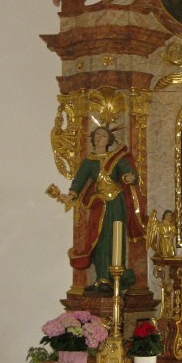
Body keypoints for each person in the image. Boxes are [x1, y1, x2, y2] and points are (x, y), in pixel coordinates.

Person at [59, 126, 145, 295]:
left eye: (104, 135)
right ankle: (101, 279)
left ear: (109, 140)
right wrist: (72, 194)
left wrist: (129, 176)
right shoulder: (89, 161)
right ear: (93, 138)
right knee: (98, 239)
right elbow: (79, 180)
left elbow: (127, 171)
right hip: (99, 203)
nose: (100, 137)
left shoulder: (116, 158)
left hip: (116, 202)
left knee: (115, 238)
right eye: (97, 134)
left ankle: (115, 278)